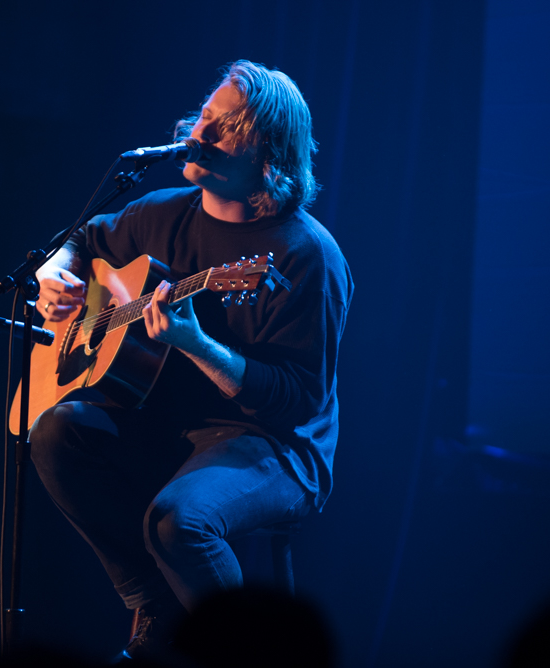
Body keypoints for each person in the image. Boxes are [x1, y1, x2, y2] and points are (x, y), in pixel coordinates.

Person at [29, 60, 353, 660]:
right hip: (171, 422)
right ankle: (156, 602)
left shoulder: (307, 256)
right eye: (206, 116)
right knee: (55, 433)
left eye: (227, 127)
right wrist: (56, 276)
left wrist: (197, 344)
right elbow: (79, 240)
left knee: (179, 521)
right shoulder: (163, 211)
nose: (202, 133)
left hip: (275, 444)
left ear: (267, 154)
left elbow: (297, 401)